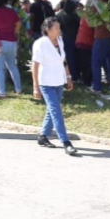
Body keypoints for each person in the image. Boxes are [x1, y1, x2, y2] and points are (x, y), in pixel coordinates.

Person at [32, 16, 78, 155]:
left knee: (51, 111)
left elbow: (63, 60)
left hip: (59, 80)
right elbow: (35, 65)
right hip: (46, 83)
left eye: (59, 27)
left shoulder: (59, 41)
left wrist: (68, 76)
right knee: (56, 111)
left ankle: (42, 136)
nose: (59, 30)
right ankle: (66, 142)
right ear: (48, 30)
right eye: (56, 28)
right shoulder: (40, 43)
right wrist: (35, 87)